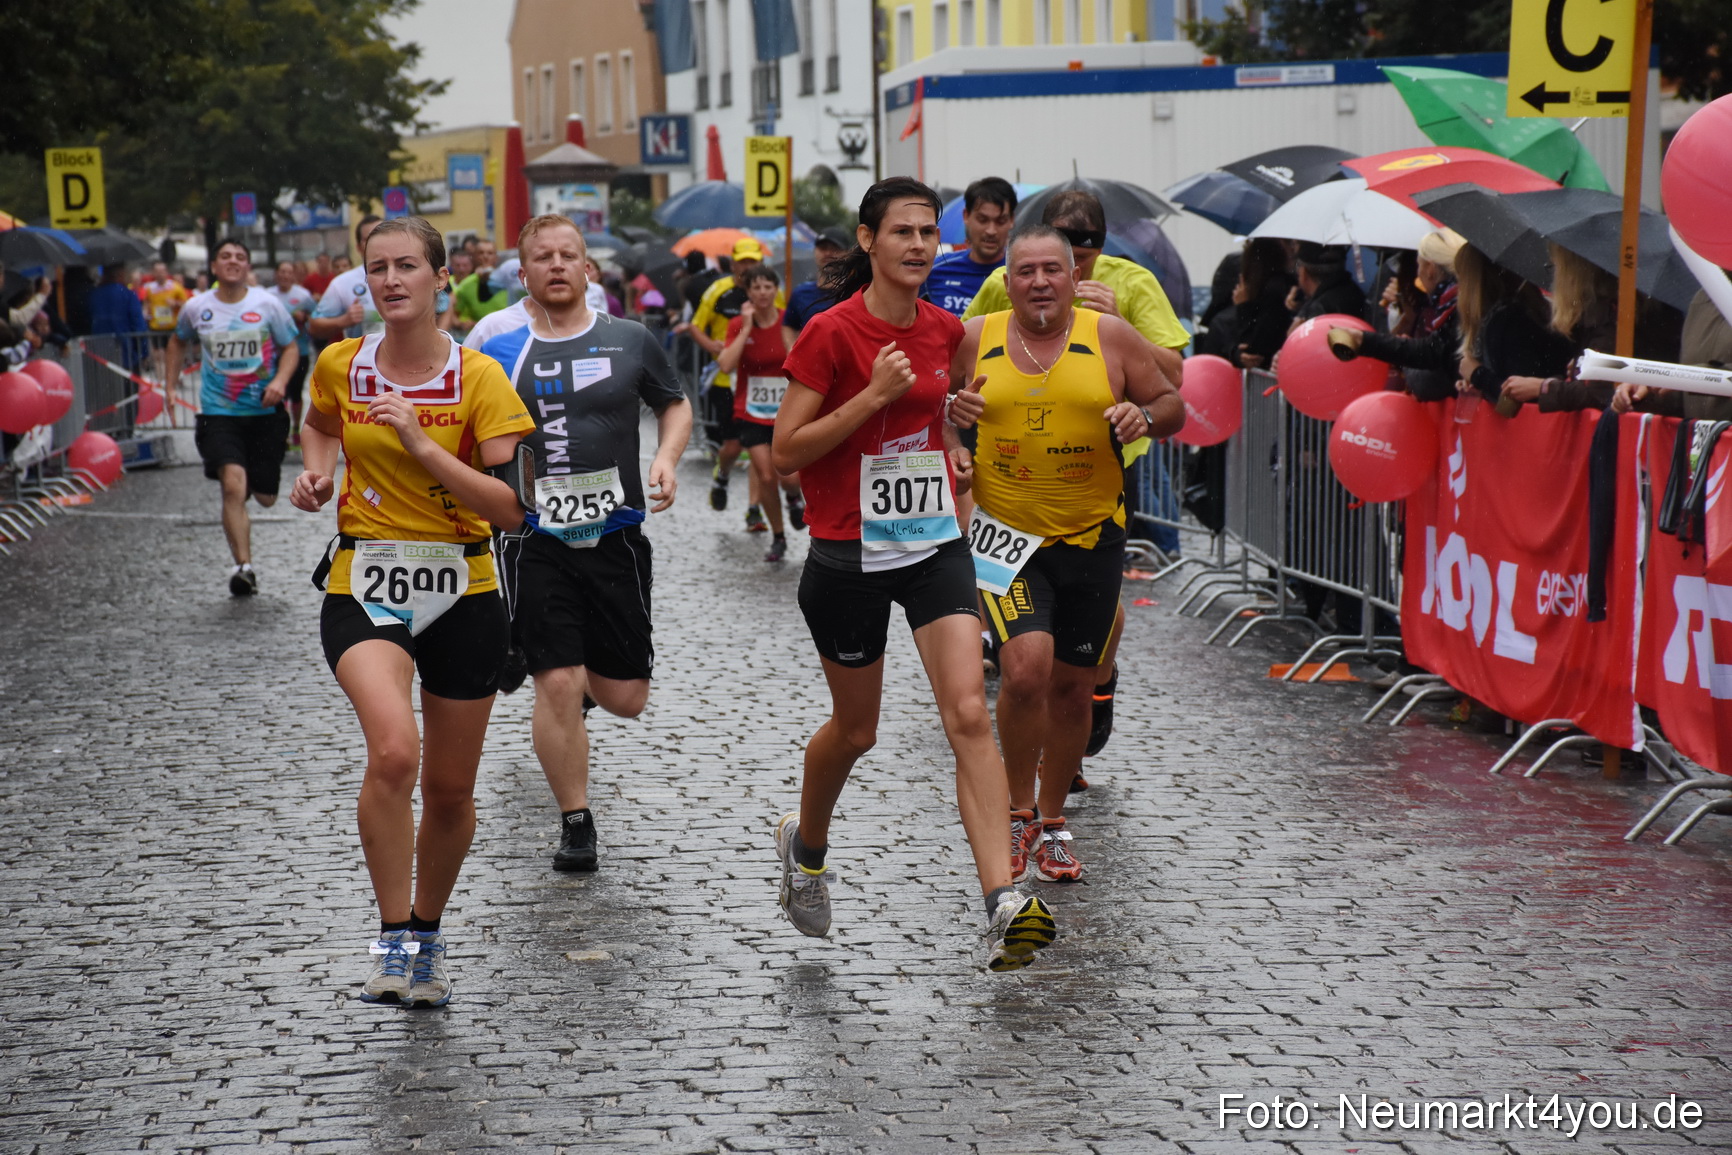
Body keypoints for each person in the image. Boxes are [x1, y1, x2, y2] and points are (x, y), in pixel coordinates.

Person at [770, 176, 1057, 973]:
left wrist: (953, 437)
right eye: (904, 231)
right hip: (847, 555)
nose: (920, 245)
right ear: (868, 240)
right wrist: (870, 397)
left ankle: (1003, 902)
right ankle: (806, 848)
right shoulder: (829, 334)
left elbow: (935, 410)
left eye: (930, 232)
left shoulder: (945, 330)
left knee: (968, 712)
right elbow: (787, 451)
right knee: (855, 731)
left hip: (933, 544)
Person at [289, 216, 535, 1008]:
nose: (390, 280)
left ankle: (427, 937)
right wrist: (317, 475)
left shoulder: (480, 378)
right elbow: (319, 425)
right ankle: (391, 940)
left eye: (406, 266)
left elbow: (512, 509)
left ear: (439, 277)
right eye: (377, 268)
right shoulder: (340, 363)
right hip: (365, 580)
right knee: (395, 752)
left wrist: (425, 447)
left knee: (452, 789)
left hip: (465, 588)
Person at [955, 224, 1183, 884]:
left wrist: (1146, 417)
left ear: (1073, 276)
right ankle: (1016, 811)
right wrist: (951, 433)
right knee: (1025, 669)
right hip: (1007, 539)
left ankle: (1052, 821)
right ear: (1006, 281)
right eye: (1025, 272)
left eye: (1051, 269)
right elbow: (928, 408)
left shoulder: (1109, 336)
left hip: (1092, 536)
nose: (1039, 283)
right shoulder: (974, 337)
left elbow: (1171, 401)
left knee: (1074, 686)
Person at [482, 216, 691, 873]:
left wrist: (666, 457)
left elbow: (675, 403)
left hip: (616, 535)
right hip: (534, 536)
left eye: (567, 255)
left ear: (587, 268)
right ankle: (576, 821)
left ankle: (573, 693)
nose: (556, 265)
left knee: (627, 698)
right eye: (542, 257)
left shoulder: (629, 338)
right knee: (558, 681)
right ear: (523, 274)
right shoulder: (498, 347)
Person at [164, 239, 301, 595]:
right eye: (225, 256)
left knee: (265, 496)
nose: (233, 261)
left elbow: (290, 347)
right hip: (218, 413)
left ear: (247, 266)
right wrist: (170, 386)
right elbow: (177, 341)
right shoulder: (196, 307)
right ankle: (244, 567)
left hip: (264, 413)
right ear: (214, 266)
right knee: (232, 485)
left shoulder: (267, 304)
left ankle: (252, 486)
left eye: (240, 256)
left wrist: (280, 381)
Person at [679, 239, 785, 528]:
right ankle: (722, 474)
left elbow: (781, 326)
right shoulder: (719, 290)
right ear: (734, 263)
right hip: (726, 378)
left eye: (754, 261)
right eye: (743, 261)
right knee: (734, 446)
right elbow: (695, 326)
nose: (748, 267)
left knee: (758, 447)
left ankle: (754, 508)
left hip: (761, 380)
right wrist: (712, 347)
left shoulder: (769, 291)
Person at [716, 264, 800, 560]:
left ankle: (794, 498)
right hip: (751, 412)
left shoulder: (789, 321)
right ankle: (778, 537)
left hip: (786, 412)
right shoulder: (738, 323)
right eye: (756, 287)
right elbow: (726, 365)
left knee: (790, 478)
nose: (762, 293)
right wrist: (747, 328)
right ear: (748, 292)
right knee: (765, 476)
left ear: (776, 290)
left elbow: (801, 361)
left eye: (768, 286)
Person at [1327, 229, 1463, 401]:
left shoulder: (1457, 308)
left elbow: (1431, 359)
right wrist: (1363, 339)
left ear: (1430, 268)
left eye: (1419, 265)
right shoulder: (1452, 303)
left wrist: (1366, 341)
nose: (1418, 273)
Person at [922, 176, 1017, 317]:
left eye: (1000, 221)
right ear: (966, 216)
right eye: (982, 220)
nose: (991, 231)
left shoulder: (1021, 274)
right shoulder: (935, 270)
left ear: (1011, 220)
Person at [308, 215, 384, 343]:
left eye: (382, 236)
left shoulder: (410, 275)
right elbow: (314, 327)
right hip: (363, 355)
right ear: (359, 247)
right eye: (369, 238)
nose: (378, 242)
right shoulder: (342, 283)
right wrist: (343, 320)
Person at [266, 260, 315, 443]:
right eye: (282, 272)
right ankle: (283, 431)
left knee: (296, 393)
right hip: (275, 353)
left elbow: (317, 318)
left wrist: (304, 317)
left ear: (293, 275)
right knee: (280, 393)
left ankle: (295, 428)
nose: (285, 275)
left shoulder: (303, 296)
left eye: (288, 272)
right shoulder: (268, 295)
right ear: (276, 274)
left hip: (300, 351)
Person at [786, 227, 851, 331]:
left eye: (835, 249)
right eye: (823, 248)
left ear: (847, 254)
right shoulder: (800, 294)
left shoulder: (857, 292)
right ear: (814, 251)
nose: (828, 253)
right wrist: (794, 342)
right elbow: (789, 326)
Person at [452, 238, 509, 327]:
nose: (485, 256)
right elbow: (453, 315)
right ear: (473, 257)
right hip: (480, 334)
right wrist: (462, 324)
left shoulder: (507, 281)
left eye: (490, 253)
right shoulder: (465, 285)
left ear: (496, 258)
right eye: (481, 253)